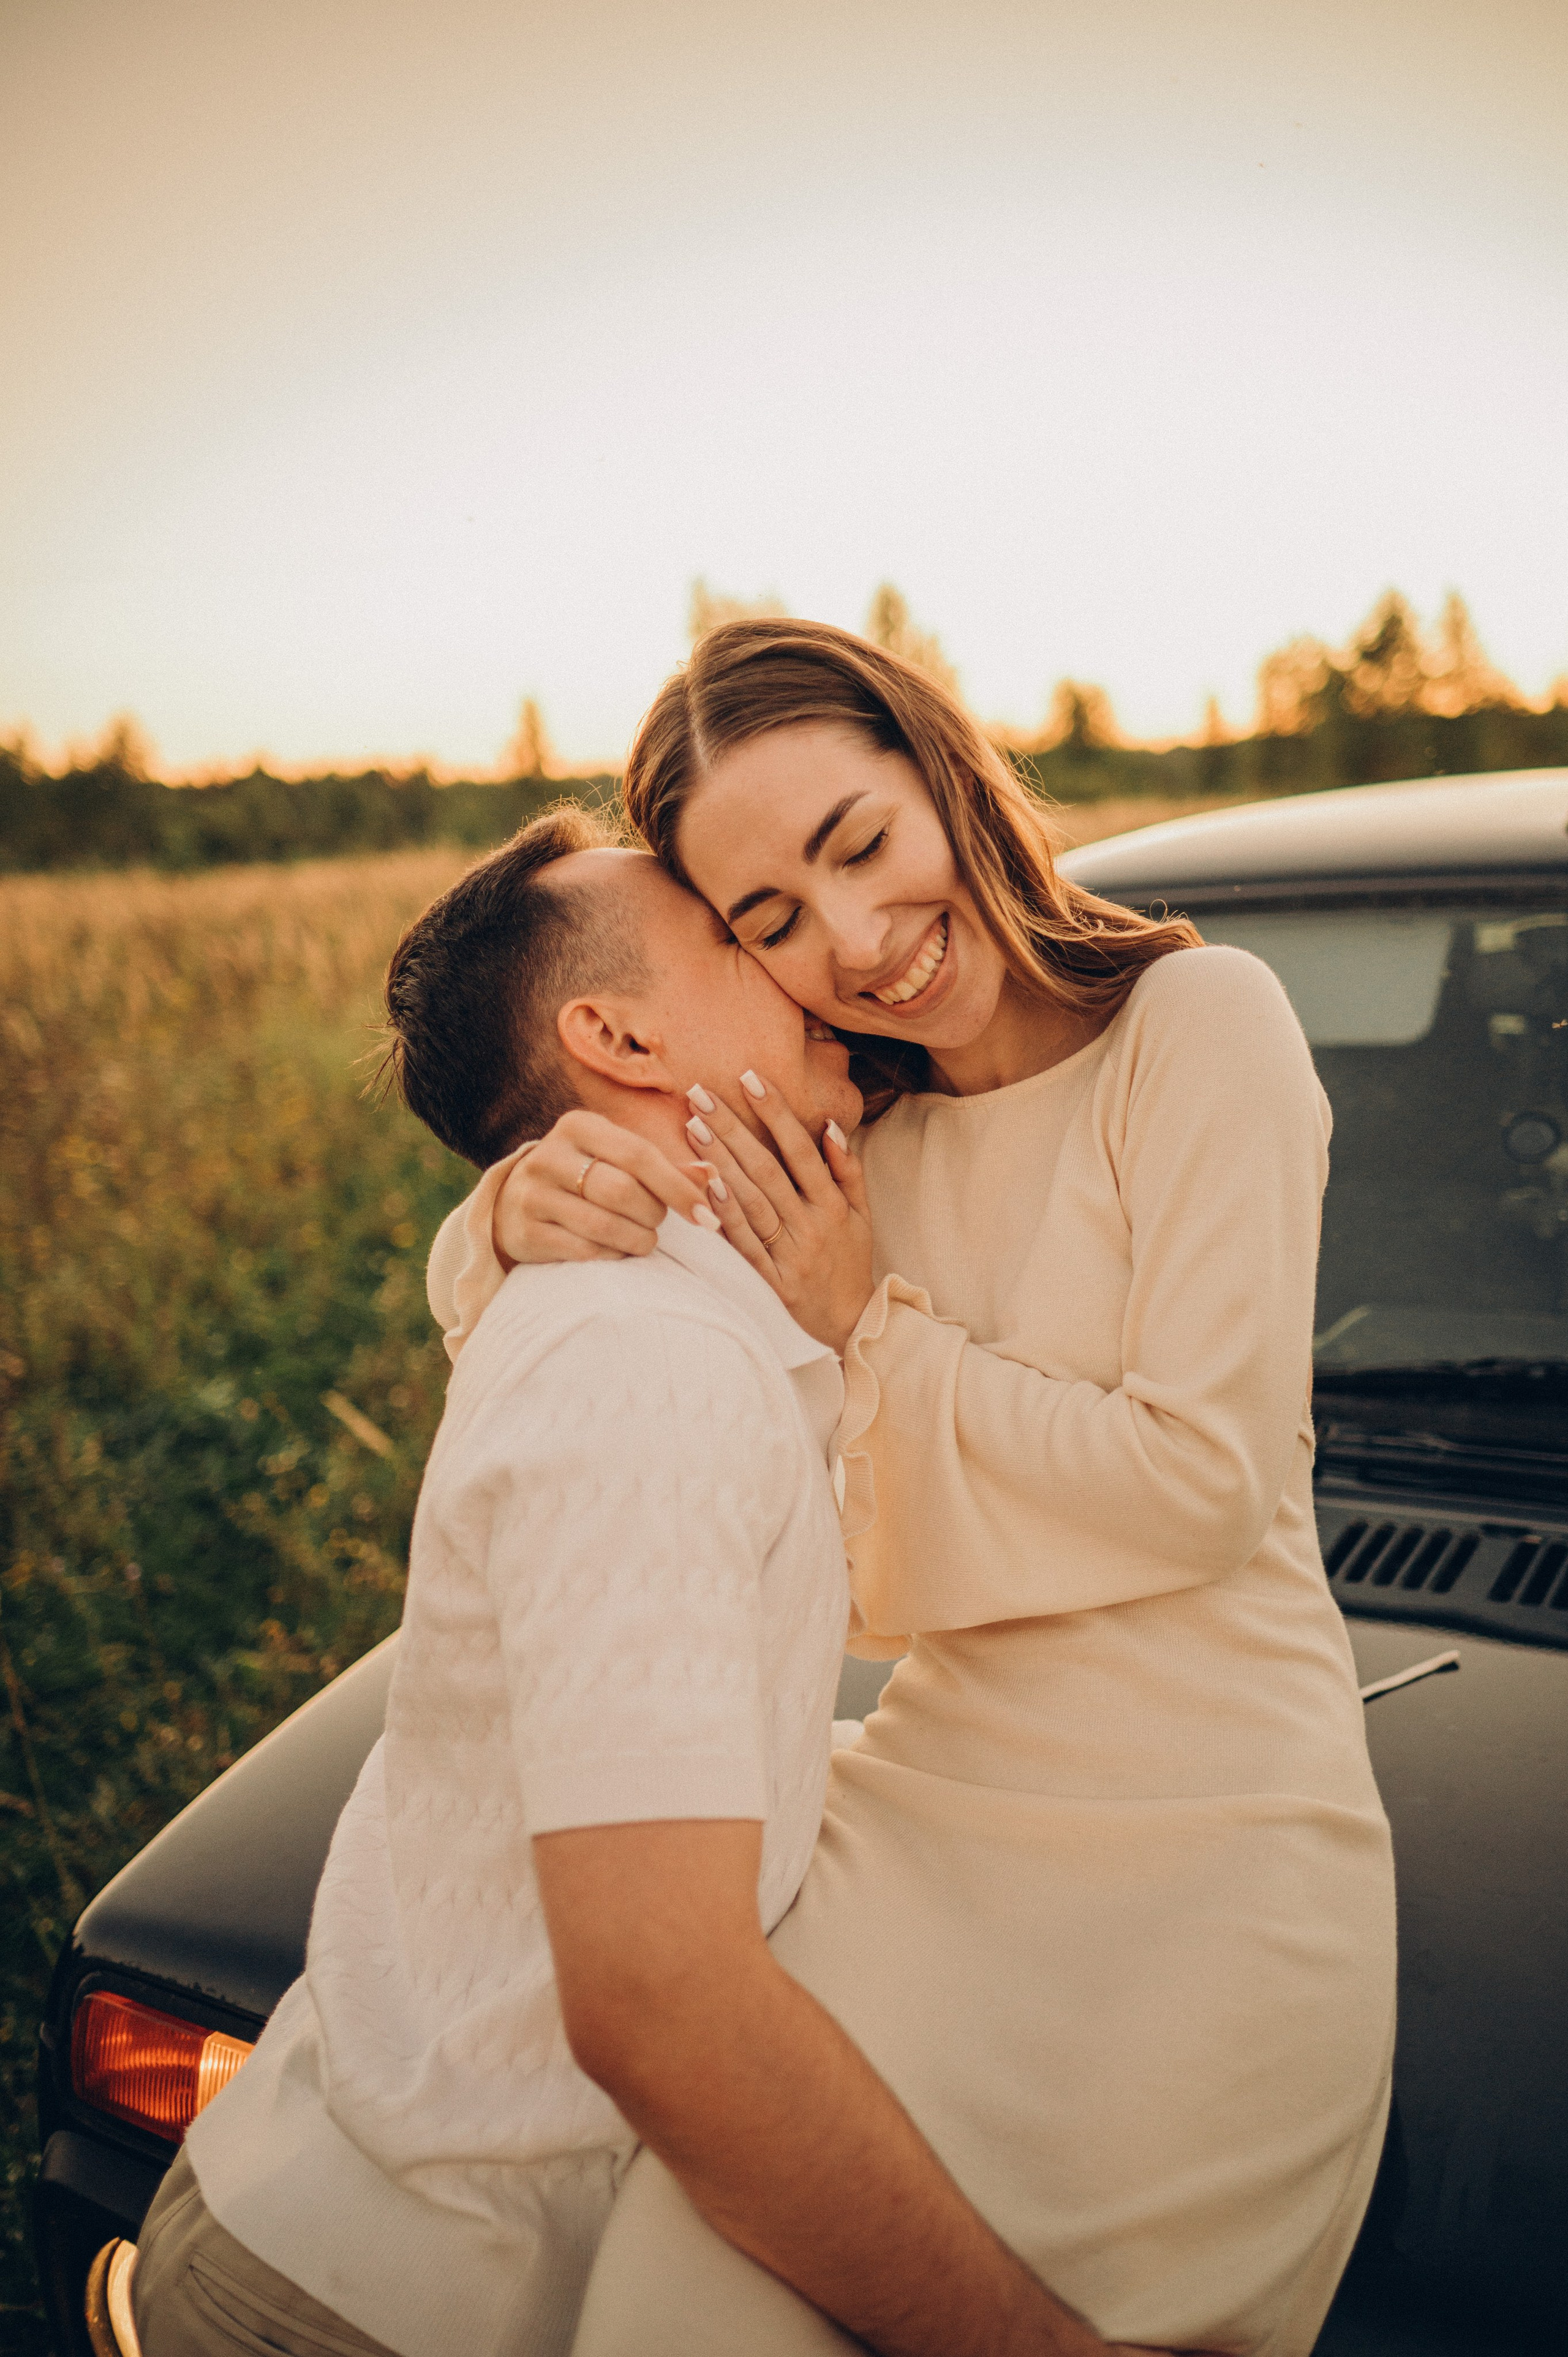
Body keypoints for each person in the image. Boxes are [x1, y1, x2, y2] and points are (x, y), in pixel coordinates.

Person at [430, 620, 1400, 2357]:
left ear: (945, 775)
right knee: (676, 2301)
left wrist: (862, 1327)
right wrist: (496, 1216)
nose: (857, 944)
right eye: (770, 923)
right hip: (922, 1826)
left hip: (1213, 1849)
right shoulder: (839, 1132)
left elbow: (1200, 1479)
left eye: (861, 846)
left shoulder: (1198, 1027)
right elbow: (559, 1277)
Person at [132, 807, 1163, 2357]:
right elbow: (665, 2008)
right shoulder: (643, 1369)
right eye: (737, 938)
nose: (811, 962)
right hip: (366, 2306)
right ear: (613, 1032)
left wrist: (479, 1231)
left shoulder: (691, 1293)